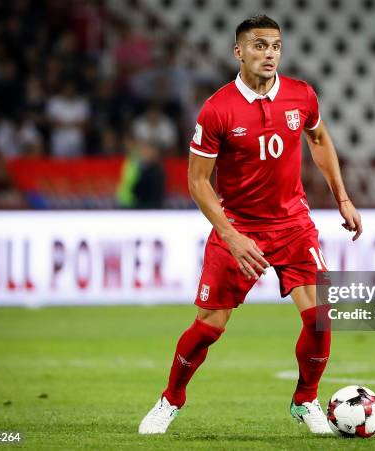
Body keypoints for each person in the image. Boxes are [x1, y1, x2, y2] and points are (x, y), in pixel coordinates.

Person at [138, 15, 362, 435]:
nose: (269, 54)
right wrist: (230, 235)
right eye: (259, 46)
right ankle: (170, 400)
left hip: (294, 224)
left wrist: (342, 199)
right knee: (209, 326)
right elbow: (197, 181)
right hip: (238, 226)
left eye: (275, 46)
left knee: (320, 318)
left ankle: (305, 400)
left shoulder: (301, 95)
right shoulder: (218, 108)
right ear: (238, 51)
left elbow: (319, 139)